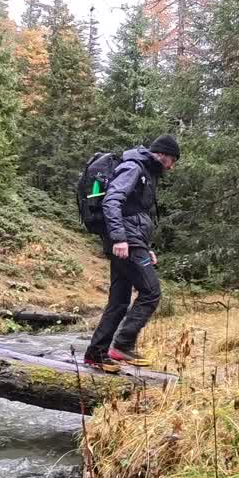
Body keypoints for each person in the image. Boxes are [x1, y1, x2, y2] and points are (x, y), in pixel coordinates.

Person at [83, 134, 180, 372]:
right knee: (151, 292)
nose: (172, 167)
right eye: (172, 161)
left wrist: (145, 248)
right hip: (125, 242)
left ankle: (97, 354)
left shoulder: (145, 171)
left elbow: (134, 212)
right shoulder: (133, 167)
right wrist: (120, 239)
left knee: (119, 301)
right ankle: (122, 345)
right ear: (163, 155)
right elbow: (112, 201)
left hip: (132, 242)